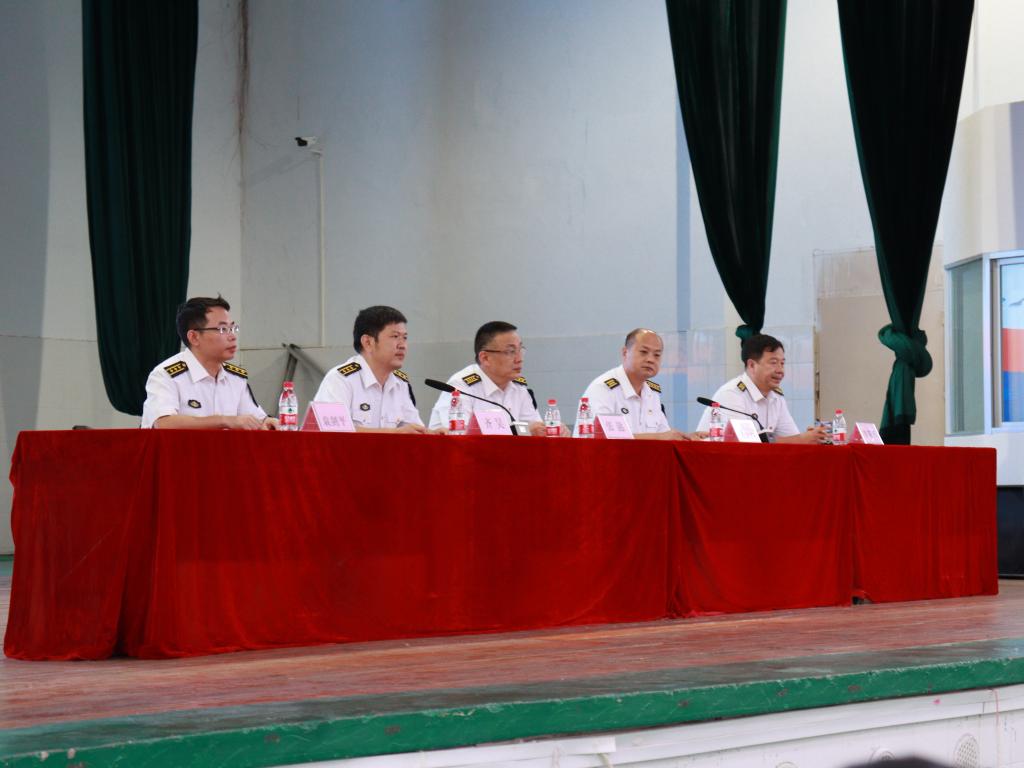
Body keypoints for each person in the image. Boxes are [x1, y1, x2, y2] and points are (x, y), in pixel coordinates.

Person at [142, 296, 279, 430]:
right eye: (222, 329)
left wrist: (267, 422)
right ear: (194, 337)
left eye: (233, 328)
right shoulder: (166, 375)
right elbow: (163, 423)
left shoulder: (235, 378)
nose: (232, 336)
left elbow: (255, 420)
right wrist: (224, 421)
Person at [428, 321, 560, 436]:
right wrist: (522, 431)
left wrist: (550, 430)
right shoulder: (460, 387)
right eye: (510, 352)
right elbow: (461, 436)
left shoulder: (518, 387)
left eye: (520, 350)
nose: (519, 359)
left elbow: (535, 427)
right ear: (485, 358)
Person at [313, 305, 428, 433]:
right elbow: (331, 431)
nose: (403, 345)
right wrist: (394, 434)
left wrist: (433, 434)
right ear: (368, 342)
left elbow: (413, 429)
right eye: (395, 337)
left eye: (405, 338)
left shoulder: (400, 383)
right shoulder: (340, 379)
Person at [696, 333, 828, 443]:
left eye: (782, 363)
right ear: (752, 365)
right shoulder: (732, 394)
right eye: (773, 363)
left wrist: (812, 437)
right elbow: (746, 445)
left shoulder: (776, 397)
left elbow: (791, 439)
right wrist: (802, 439)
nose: (780, 370)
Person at [578, 328, 700, 440]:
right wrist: (659, 437)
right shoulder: (604, 389)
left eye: (657, 355)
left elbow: (665, 436)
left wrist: (687, 438)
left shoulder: (652, 393)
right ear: (625, 353)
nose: (650, 359)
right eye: (643, 352)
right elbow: (602, 439)